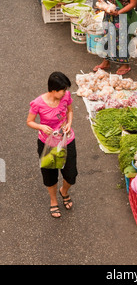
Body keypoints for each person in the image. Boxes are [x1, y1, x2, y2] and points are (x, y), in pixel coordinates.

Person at [26, 72, 77, 219]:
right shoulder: (38, 103)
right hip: (47, 144)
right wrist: (41, 127)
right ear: (53, 90)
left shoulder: (66, 97)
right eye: (62, 89)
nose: (65, 92)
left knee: (71, 174)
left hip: (66, 140)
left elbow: (70, 111)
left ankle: (64, 191)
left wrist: (69, 123)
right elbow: (29, 121)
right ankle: (53, 199)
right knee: (50, 175)